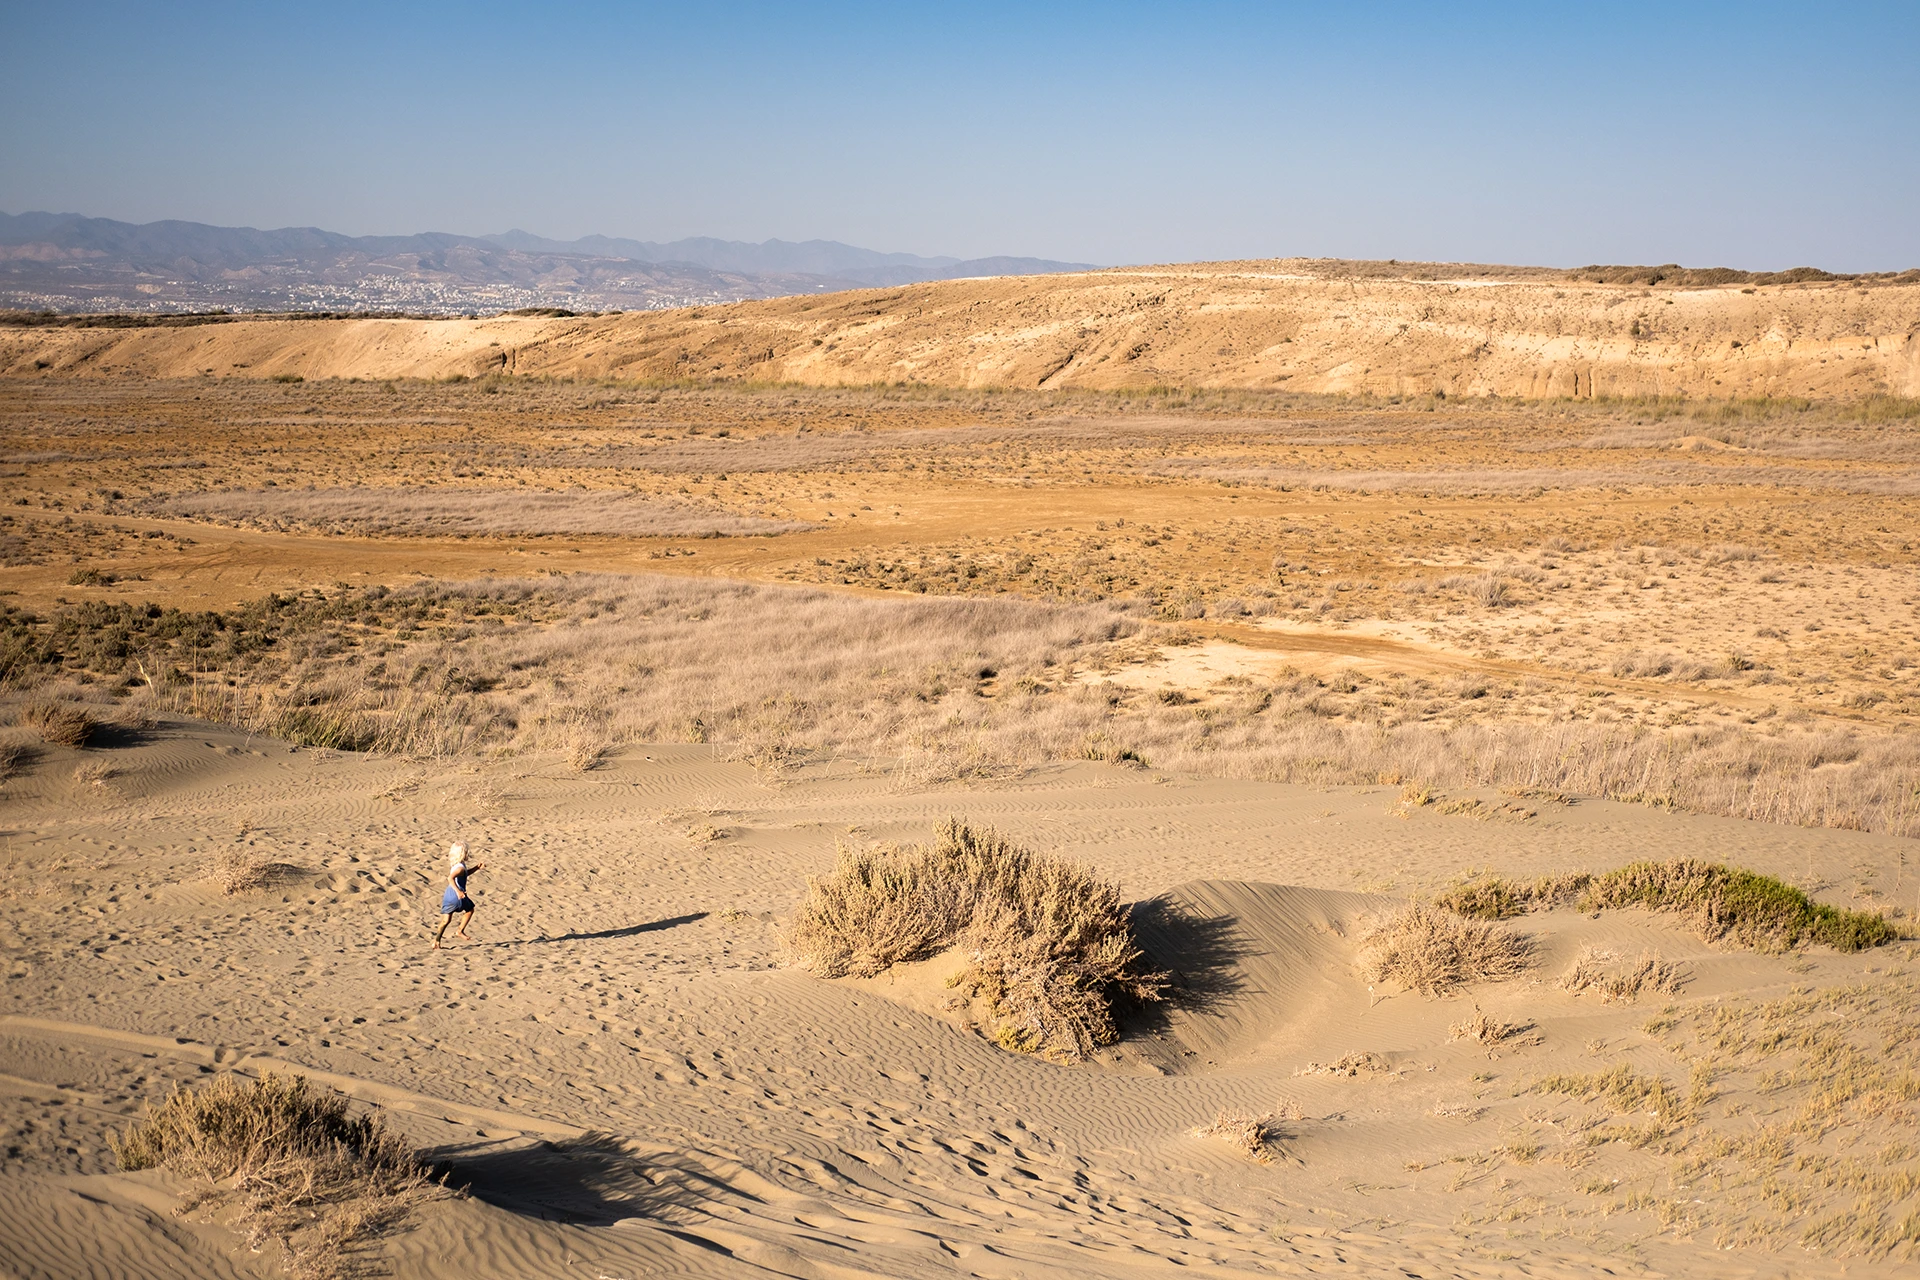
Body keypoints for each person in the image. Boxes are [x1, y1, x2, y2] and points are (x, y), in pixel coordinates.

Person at [431, 843, 482, 949]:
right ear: (463, 854)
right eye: (466, 852)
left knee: (445, 921)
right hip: (457, 895)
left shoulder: (456, 865)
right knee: (470, 910)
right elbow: (450, 878)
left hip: (448, 896)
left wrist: (477, 868)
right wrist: (458, 891)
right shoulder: (460, 868)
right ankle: (459, 931)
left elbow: (465, 873)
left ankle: (436, 942)